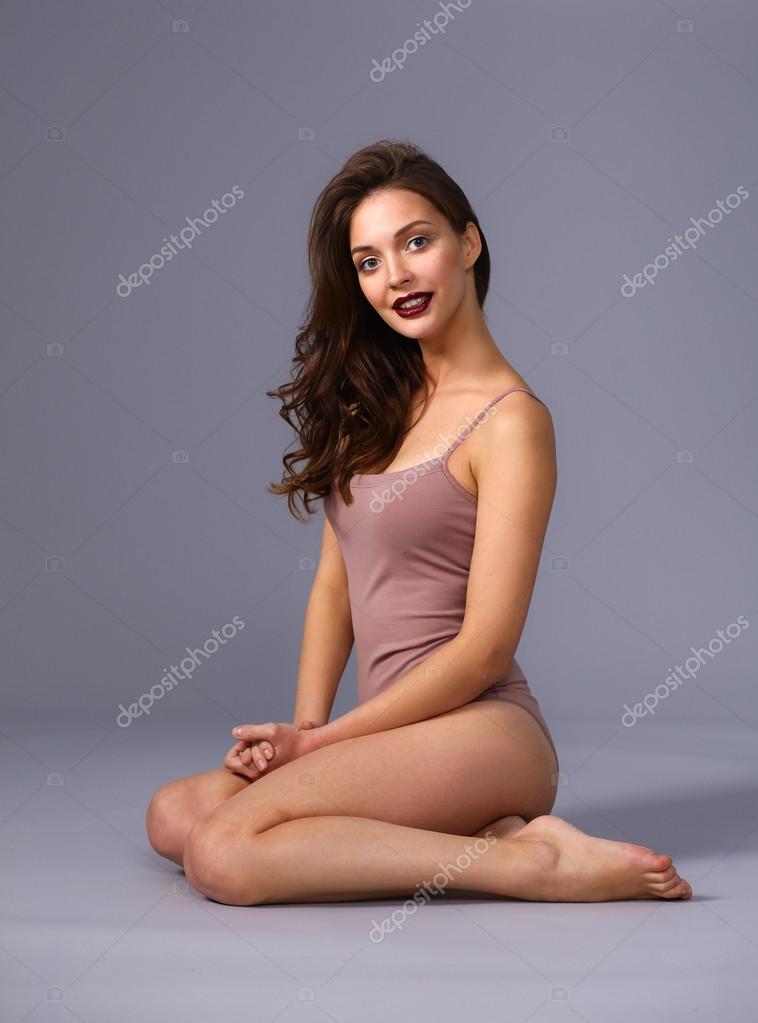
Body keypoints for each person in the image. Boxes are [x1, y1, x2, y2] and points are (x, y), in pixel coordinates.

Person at [145, 140, 691, 906]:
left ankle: (532, 865)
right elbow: (334, 586)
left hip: (484, 730)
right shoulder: (375, 407)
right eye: (368, 261)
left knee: (222, 853)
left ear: (468, 243)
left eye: (416, 242)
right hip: (388, 737)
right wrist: (301, 733)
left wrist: (321, 746)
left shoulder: (512, 421)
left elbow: (485, 648)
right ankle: (500, 837)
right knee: (173, 813)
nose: (394, 275)